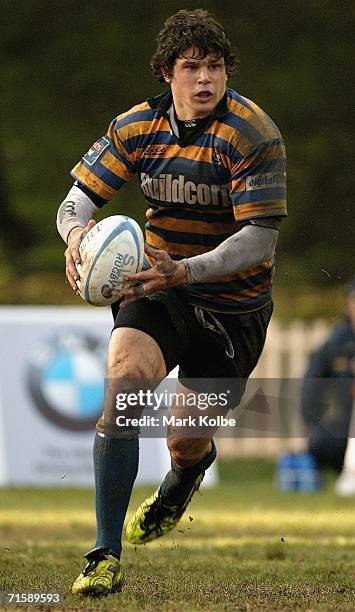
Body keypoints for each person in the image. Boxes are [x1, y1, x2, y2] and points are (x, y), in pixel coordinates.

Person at [57, 9, 287, 597]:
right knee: (125, 381)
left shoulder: (252, 132)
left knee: (185, 438)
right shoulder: (137, 127)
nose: (205, 79)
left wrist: (184, 270)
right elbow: (76, 200)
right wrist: (76, 236)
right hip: (156, 291)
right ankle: (104, 553)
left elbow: (260, 239)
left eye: (215, 67)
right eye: (192, 68)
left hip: (234, 306)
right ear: (168, 73)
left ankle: (183, 477)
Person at [300, 278, 355, 472]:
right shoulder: (336, 342)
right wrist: (310, 421)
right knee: (320, 441)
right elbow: (311, 383)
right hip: (346, 422)